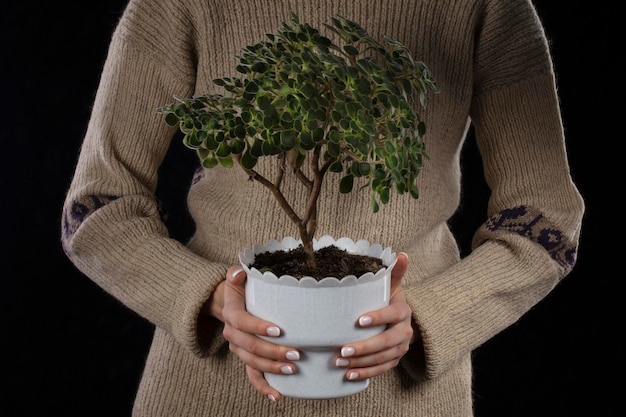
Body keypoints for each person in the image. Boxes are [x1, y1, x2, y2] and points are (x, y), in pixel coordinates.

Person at [61, 0, 584, 415]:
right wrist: (210, 298)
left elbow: (543, 221)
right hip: (206, 390)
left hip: (405, 398)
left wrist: (433, 317)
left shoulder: (486, 5)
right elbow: (95, 205)